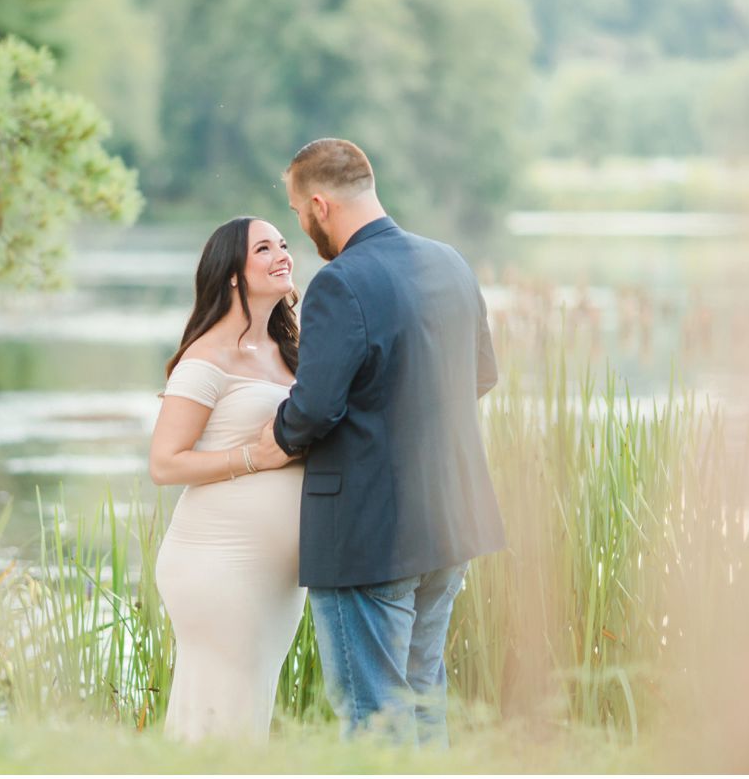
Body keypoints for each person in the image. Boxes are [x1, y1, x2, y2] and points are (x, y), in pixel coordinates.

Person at [255, 138, 506, 746]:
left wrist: (272, 438)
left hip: (370, 532)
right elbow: (482, 375)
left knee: (373, 718)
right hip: (451, 520)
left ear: (319, 204)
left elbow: (313, 410)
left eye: (296, 214)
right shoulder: (449, 260)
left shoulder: (340, 283)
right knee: (423, 699)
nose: (301, 227)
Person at [149, 216, 302, 743]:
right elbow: (165, 463)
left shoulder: (288, 350)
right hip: (219, 564)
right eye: (264, 248)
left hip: (275, 578)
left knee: (246, 712)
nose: (282, 253)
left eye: (283, 243)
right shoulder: (207, 356)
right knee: (221, 716)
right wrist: (252, 459)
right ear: (233, 274)